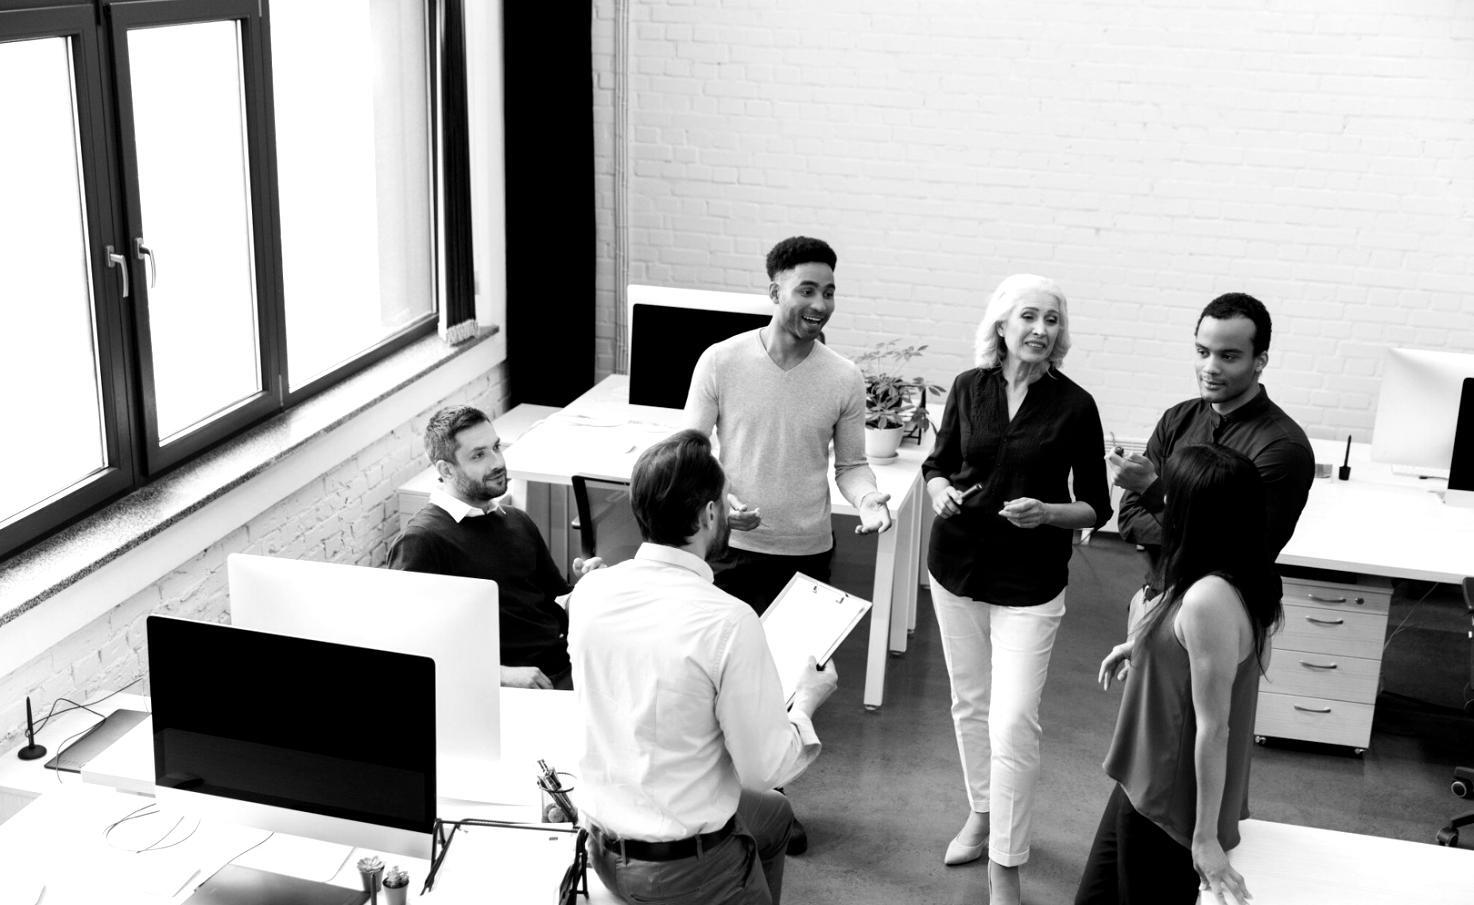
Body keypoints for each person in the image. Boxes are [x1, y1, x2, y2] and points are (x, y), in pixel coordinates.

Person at [567, 429, 838, 905]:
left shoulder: (590, 593)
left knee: (772, 815)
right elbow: (763, 766)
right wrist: (807, 699)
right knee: (766, 792)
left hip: (603, 844)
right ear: (711, 513)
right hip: (684, 871)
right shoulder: (729, 621)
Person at [921, 274, 1111, 905]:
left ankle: (1006, 864)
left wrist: (1049, 514)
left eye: (1053, 319)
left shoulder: (1075, 405)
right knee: (969, 705)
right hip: (957, 567)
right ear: (1001, 324)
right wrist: (939, 490)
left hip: (1029, 579)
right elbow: (937, 462)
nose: (1041, 329)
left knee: (1013, 722)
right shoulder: (969, 388)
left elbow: (1096, 507)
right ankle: (982, 813)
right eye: (1029, 316)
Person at [1075, 444, 1282, 905]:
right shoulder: (1227, 571)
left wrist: (1205, 839)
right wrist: (1143, 647)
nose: (1162, 503)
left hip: (1168, 798)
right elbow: (1200, 649)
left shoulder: (1208, 598)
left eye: (1173, 496)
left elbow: (1214, 730)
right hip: (1142, 778)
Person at [684, 235, 893, 616]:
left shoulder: (844, 377)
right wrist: (719, 504)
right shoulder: (720, 361)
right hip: (730, 547)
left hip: (807, 553)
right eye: (807, 291)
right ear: (775, 292)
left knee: (796, 672)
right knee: (723, 667)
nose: (820, 304)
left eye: (829, 293)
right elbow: (689, 455)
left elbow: (851, 466)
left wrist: (867, 499)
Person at [1109, 292, 1313, 627]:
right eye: (1202, 353)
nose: (1210, 368)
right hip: (1154, 603)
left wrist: (1151, 489)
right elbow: (1131, 521)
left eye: (1228, 356)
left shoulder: (1281, 448)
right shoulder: (1177, 420)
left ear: (1259, 360)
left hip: (1227, 618)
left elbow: (1240, 553)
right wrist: (1199, 529)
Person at [388, 405, 601, 690]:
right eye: (479, 455)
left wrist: (591, 587)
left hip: (569, 663)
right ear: (445, 469)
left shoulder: (515, 520)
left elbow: (557, 601)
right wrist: (498, 675)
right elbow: (407, 648)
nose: (497, 462)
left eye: (496, 447)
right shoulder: (422, 541)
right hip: (516, 688)